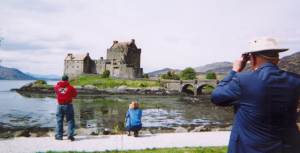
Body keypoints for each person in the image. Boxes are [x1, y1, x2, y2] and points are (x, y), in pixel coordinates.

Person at [211, 37, 300, 153]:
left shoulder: (242, 80)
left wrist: (234, 70)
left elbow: (216, 97)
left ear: (252, 57)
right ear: (277, 58)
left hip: (250, 149)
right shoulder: (296, 80)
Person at [54, 75, 77, 141]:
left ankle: (59, 136)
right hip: (68, 105)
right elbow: (75, 95)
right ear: (67, 80)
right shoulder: (71, 87)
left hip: (59, 105)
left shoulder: (56, 87)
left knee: (59, 120)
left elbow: (56, 90)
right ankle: (70, 135)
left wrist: (59, 84)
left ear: (61, 79)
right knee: (70, 120)